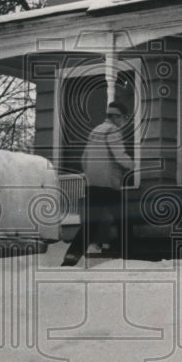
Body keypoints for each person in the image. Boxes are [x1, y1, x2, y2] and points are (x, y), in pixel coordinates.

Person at [64, 101, 133, 262]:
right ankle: (127, 259)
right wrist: (135, 165)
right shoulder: (113, 131)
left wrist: (91, 176)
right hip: (109, 186)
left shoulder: (95, 131)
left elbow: (84, 158)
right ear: (117, 116)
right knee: (125, 223)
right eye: (123, 117)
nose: (124, 121)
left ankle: (68, 261)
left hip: (93, 185)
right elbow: (120, 156)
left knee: (88, 227)